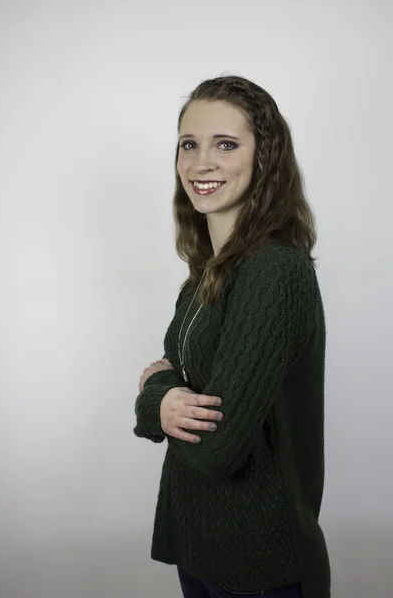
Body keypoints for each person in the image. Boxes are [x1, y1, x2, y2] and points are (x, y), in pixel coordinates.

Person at [133, 75, 331, 598]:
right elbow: (181, 374)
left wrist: (155, 398)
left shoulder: (274, 271)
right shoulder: (207, 270)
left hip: (258, 564)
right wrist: (171, 391)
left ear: (264, 157)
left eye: (226, 143)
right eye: (189, 144)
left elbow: (218, 444)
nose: (202, 162)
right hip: (200, 542)